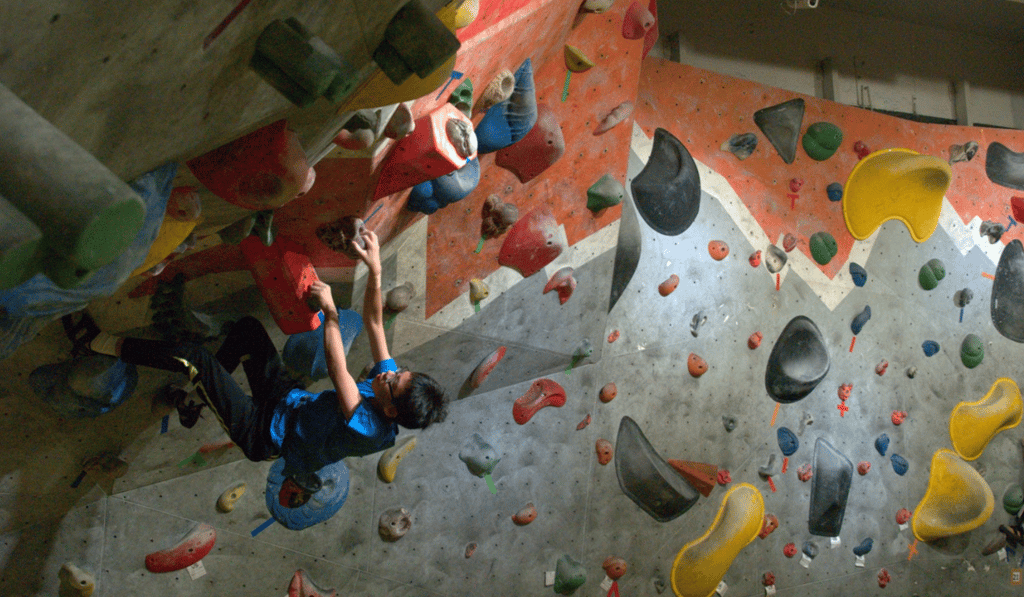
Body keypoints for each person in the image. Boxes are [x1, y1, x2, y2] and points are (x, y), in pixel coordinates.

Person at [63, 229, 448, 507]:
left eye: (392, 381)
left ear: (392, 409)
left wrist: (331, 313)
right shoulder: (389, 391)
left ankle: (96, 343)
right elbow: (377, 324)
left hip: (263, 433)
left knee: (195, 358)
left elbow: (339, 372)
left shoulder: (370, 430)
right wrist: (376, 271)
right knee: (248, 330)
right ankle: (200, 396)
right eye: (397, 371)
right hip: (289, 402)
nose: (387, 373)